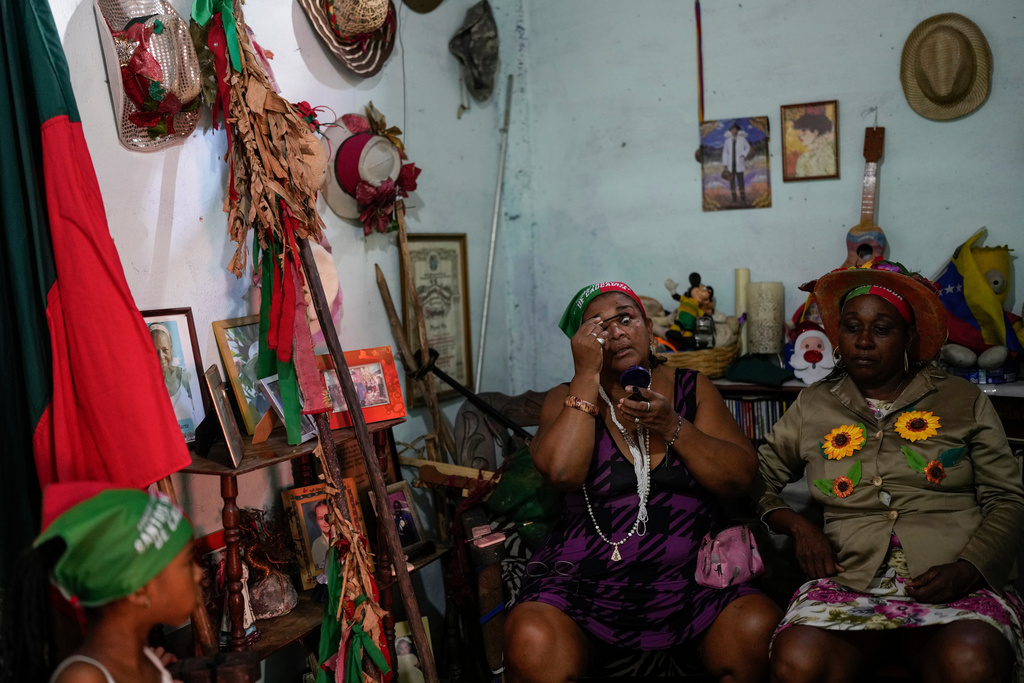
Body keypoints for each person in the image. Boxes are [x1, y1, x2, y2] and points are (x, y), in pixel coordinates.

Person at [755, 261, 1024, 683]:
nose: (863, 342)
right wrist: (796, 526)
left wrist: (971, 566)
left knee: (970, 660)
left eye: (881, 329)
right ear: (837, 337)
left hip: (954, 579)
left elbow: (1006, 498)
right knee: (798, 661)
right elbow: (755, 479)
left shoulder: (961, 399)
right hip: (848, 580)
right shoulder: (813, 404)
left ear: (908, 338)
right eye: (850, 328)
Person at [504, 281, 781, 683]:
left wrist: (673, 426)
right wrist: (586, 375)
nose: (615, 332)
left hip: (695, 584)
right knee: (531, 636)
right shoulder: (565, 397)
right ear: (582, 343)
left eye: (625, 318)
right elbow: (562, 473)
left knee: (757, 625)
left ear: (648, 328)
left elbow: (740, 477)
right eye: (598, 327)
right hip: (584, 585)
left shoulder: (691, 388)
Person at [0, 483, 201, 683]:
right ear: (140, 590)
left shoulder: (146, 660)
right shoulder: (83, 679)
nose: (199, 574)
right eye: (188, 562)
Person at [148, 323, 196, 438]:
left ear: (171, 348)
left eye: (165, 350)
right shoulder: (146, 384)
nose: (161, 356)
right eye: (155, 351)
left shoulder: (183, 375)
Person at [791, 111, 836, 178]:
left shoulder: (829, 151)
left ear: (815, 132)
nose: (799, 135)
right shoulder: (803, 158)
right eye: (799, 131)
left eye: (803, 130)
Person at [722, 122, 751, 204]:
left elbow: (748, 147)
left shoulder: (742, 139)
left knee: (741, 181)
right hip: (731, 165)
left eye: (736, 130)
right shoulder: (727, 141)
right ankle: (734, 198)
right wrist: (725, 164)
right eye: (733, 130)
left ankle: (743, 198)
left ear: (738, 130)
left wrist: (743, 155)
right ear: (730, 131)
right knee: (732, 182)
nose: (734, 131)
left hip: (739, 163)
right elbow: (725, 153)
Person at [311, 501, 332, 573]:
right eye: (320, 518)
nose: (325, 521)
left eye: (328, 516)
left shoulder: (344, 538)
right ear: (316, 520)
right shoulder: (316, 544)